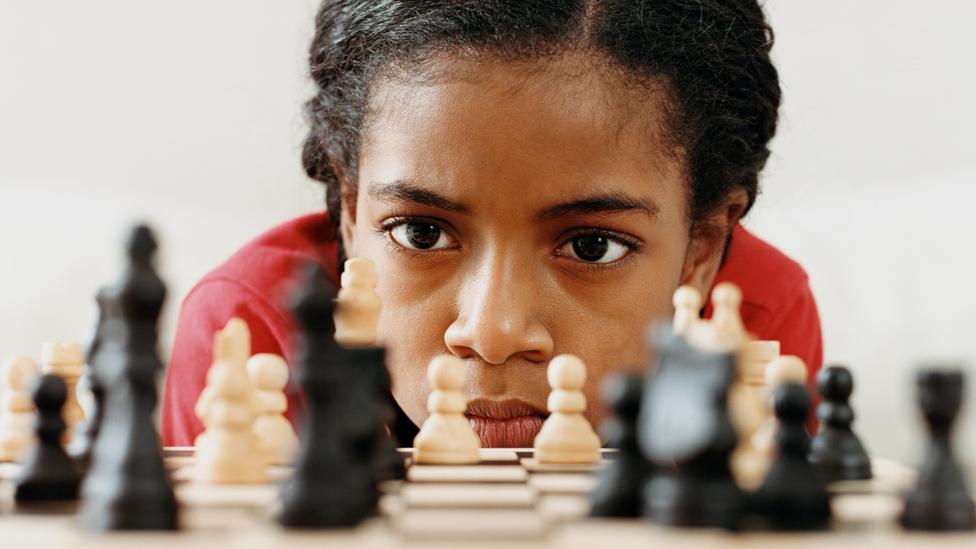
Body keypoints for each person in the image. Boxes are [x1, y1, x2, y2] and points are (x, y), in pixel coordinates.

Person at [162, 0, 822, 448]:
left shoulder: (751, 331)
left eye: (591, 245)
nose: (493, 331)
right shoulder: (253, 335)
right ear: (351, 209)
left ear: (701, 248)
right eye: (421, 232)